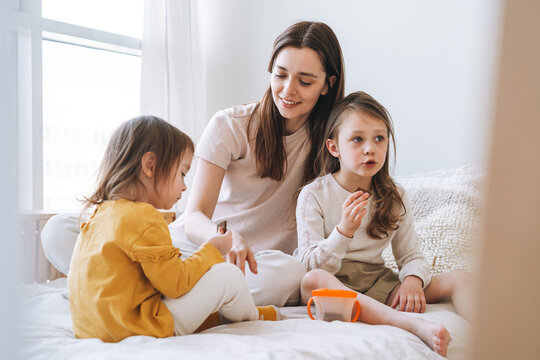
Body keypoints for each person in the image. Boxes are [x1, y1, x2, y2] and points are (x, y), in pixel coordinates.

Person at [172, 20, 345, 307]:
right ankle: (203, 298)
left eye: (305, 81)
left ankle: (189, 299)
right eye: (280, 75)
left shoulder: (334, 143)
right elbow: (194, 217)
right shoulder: (230, 124)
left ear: (328, 84)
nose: (288, 90)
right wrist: (228, 240)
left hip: (260, 266)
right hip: (203, 245)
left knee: (292, 273)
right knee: (72, 226)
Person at [68, 116, 278, 343]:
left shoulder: (99, 214)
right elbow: (175, 285)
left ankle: (220, 318)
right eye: (183, 173)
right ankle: (253, 316)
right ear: (150, 166)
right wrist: (211, 250)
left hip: (92, 329)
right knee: (229, 276)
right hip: (136, 328)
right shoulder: (144, 217)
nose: (185, 186)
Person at [296, 91, 472, 357]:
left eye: (379, 138)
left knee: (461, 278)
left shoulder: (394, 195)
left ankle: (499, 337)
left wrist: (412, 280)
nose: (370, 148)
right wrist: (343, 232)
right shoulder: (313, 195)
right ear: (334, 148)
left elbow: (411, 255)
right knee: (312, 279)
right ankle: (411, 324)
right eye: (357, 139)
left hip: (379, 284)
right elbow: (311, 264)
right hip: (335, 288)